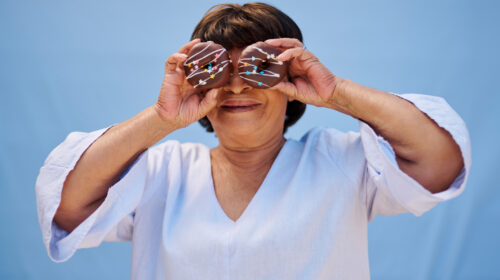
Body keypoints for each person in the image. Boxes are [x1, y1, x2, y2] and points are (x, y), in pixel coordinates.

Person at [35, 2, 471, 279]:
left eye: (258, 70)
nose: (239, 87)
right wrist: (161, 118)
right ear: (197, 81)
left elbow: (439, 163)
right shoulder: (163, 172)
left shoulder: (341, 161)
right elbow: (68, 204)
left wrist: (334, 91)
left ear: (291, 79)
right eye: (222, 73)